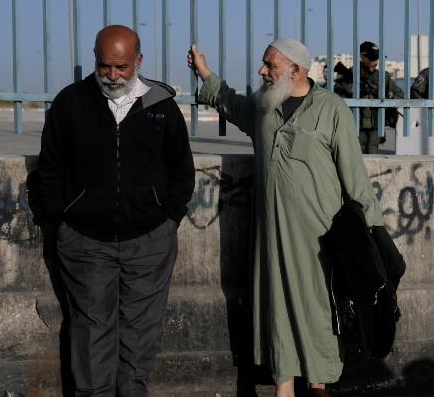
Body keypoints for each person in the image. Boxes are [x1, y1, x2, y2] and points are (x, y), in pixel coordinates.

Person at [187, 38, 385, 397]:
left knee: (316, 307)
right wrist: (205, 73)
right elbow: (230, 103)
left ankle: (318, 383)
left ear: (296, 69)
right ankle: (284, 386)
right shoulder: (264, 106)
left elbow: (354, 176)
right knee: (275, 307)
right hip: (271, 236)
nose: (262, 71)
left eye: (270, 65)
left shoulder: (332, 109)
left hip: (319, 238)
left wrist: (376, 236)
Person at [35, 25, 196, 395]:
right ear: (95, 59)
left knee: (140, 334)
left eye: (122, 67)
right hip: (84, 242)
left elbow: (181, 170)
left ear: (138, 61)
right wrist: (58, 223)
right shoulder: (71, 102)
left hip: (149, 242)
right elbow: (50, 170)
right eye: (105, 65)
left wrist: (168, 220)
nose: (113, 75)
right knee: (91, 332)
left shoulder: (161, 106)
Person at [333, 41, 404, 154]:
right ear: (362, 57)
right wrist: (354, 93)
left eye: (376, 58)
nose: (375, 62)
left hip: (374, 131)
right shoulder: (349, 75)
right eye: (371, 58)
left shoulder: (383, 76)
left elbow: (399, 94)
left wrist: (388, 98)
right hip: (352, 129)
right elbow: (336, 98)